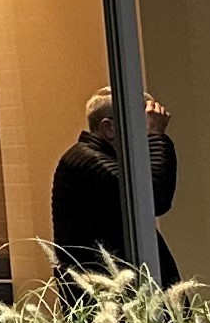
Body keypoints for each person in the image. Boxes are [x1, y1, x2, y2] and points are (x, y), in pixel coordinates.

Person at [50, 89, 179, 289]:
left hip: (115, 290)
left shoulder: (96, 159)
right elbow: (155, 198)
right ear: (109, 128)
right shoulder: (89, 161)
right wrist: (156, 136)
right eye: (142, 125)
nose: (145, 135)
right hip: (109, 295)